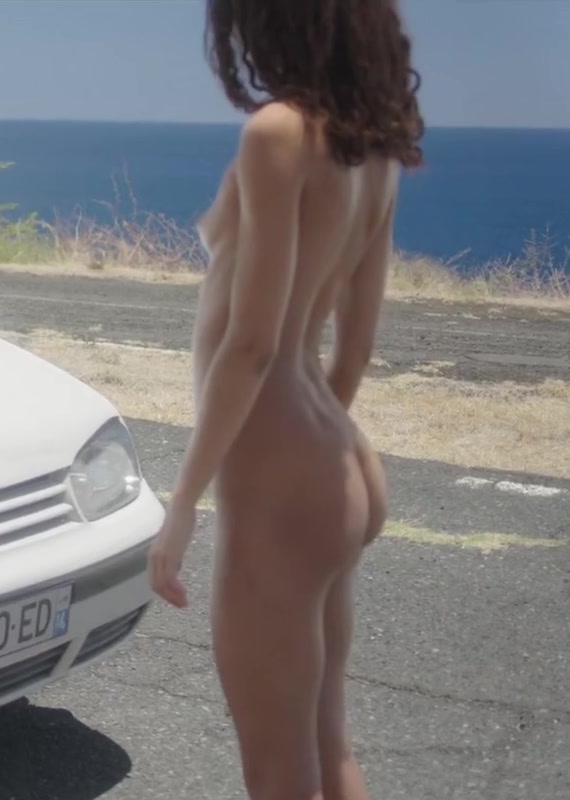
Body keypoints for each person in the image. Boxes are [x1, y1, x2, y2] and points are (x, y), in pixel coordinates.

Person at [147, 1, 423, 799]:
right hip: (338, 452)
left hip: (284, 472)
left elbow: (253, 344)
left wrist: (184, 504)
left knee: (277, 771)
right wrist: (318, 462)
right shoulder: (375, 150)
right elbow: (354, 348)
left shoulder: (279, 134)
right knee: (329, 747)